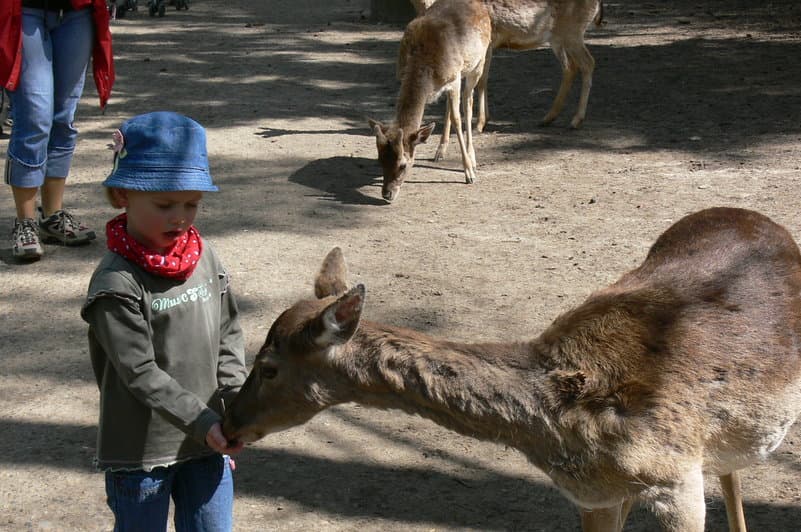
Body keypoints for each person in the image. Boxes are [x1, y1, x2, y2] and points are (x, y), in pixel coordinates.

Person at [81, 111, 248, 531]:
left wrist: (233, 398)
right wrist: (203, 420)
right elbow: (138, 371)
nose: (180, 217)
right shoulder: (115, 284)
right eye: (164, 204)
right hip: (141, 454)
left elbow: (228, 329)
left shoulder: (204, 256)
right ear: (122, 195)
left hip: (209, 443)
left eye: (192, 203)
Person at [1, 0, 114, 260]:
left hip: (78, 12)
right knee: (34, 116)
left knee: (63, 118)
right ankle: (25, 222)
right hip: (23, 10)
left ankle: (52, 217)